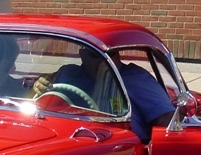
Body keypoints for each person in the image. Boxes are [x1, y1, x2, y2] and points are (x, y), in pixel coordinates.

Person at [35, 46, 174, 142]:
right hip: (65, 139)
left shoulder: (136, 78)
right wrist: (40, 85)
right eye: (95, 55)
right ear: (82, 55)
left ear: (118, 55)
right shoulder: (68, 73)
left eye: (110, 54)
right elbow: (38, 101)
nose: (104, 61)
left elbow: (166, 121)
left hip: (121, 146)